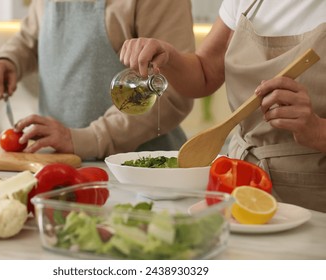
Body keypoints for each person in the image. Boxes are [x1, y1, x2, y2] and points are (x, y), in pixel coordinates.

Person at [120, 0, 326, 212]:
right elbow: (205, 73)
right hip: (238, 183)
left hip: (314, 197)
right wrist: (169, 57)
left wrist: (318, 131)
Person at [0, 0, 195, 160]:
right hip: (60, 163)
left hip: (140, 169)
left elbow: (171, 91)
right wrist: (9, 60)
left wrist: (87, 139)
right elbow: (30, 37)